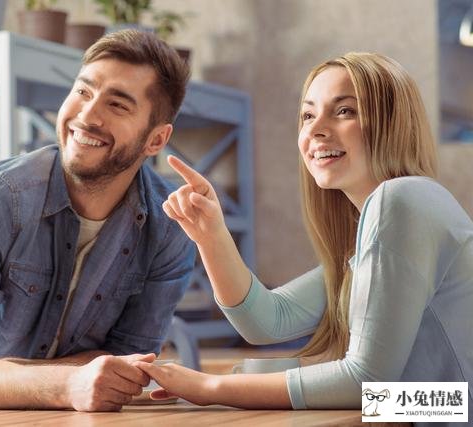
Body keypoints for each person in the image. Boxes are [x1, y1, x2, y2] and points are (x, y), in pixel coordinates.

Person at [135, 52, 473, 410]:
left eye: (344, 111)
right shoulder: (396, 213)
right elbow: (268, 321)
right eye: (308, 115)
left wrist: (214, 388)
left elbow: (369, 381)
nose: (315, 130)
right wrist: (211, 234)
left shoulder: (403, 199)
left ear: (392, 123)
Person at [0, 30, 195, 416]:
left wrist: (1, 379)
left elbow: (128, 369)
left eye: (117, 105)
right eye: (83, 91)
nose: (87, 116)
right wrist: (69, 383)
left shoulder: (169, 227)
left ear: (156, 140)